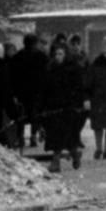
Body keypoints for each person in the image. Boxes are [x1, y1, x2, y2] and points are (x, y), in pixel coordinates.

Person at [40, 37, 87, 172]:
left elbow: (79, 88)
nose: (58, 57)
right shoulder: (49, 68)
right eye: (56, 54)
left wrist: (76, 105)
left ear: (66, 54)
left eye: (60, 54)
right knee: (55, 135)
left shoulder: (74, 69)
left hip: (68, 108)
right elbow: (45, 88)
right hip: (53, 107)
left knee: (67, 136)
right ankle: (57, 161)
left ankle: (73, 154)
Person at [9, 33, 48, 149]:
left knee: (21, 114)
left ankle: (20, 137)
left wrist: (14, 91)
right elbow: (47, 74)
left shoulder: (17, 57)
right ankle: (33, 137)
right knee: (35, 114)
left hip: (21, 91)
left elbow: (12, 75)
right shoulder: (42, 56)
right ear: (36, 43)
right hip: (37, 91)